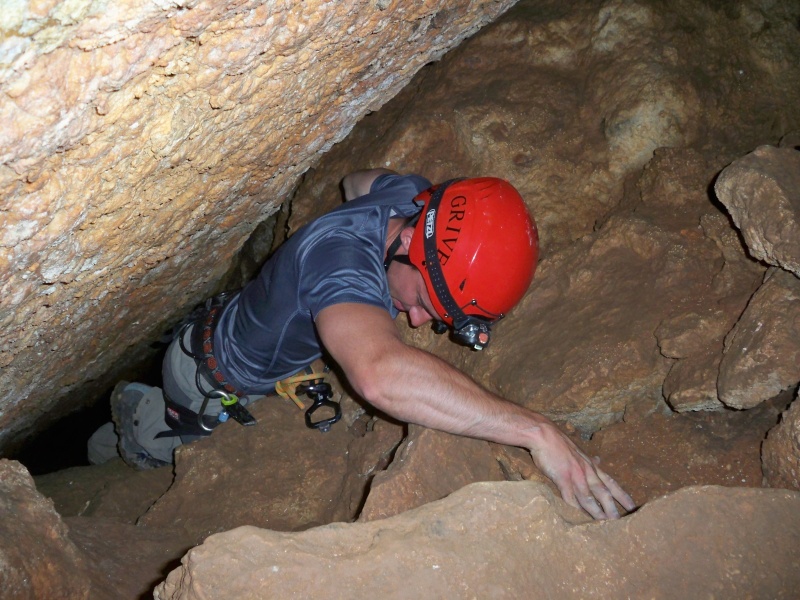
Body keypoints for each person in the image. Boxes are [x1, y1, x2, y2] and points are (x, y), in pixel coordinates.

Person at [88, 170, 635, 520]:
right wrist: (535, 431)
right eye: (423, 301)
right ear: (408, 254)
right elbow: (378, 373)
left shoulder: (404, 201)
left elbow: (358, 182)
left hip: (234, 326)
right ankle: (134, 425)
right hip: (205, 378)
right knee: (156, 448)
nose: (419, 320)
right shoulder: (340, 263)